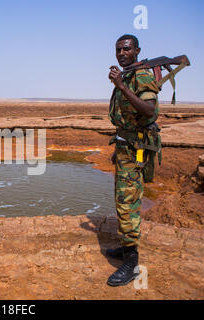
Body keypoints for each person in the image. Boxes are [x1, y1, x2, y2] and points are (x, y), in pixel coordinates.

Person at [106, 34, 160, 287]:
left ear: (137, 50)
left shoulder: (141, 76)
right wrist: (119, 145)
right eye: (118, 49)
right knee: (121, 199)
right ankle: (126, 249)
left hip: (136, 150)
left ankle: (131, 263)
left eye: (126, 49)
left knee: (127, 203)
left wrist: (122, 87)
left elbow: (149, 110)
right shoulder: (129, 74)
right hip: (126, 146)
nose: (121, 53)